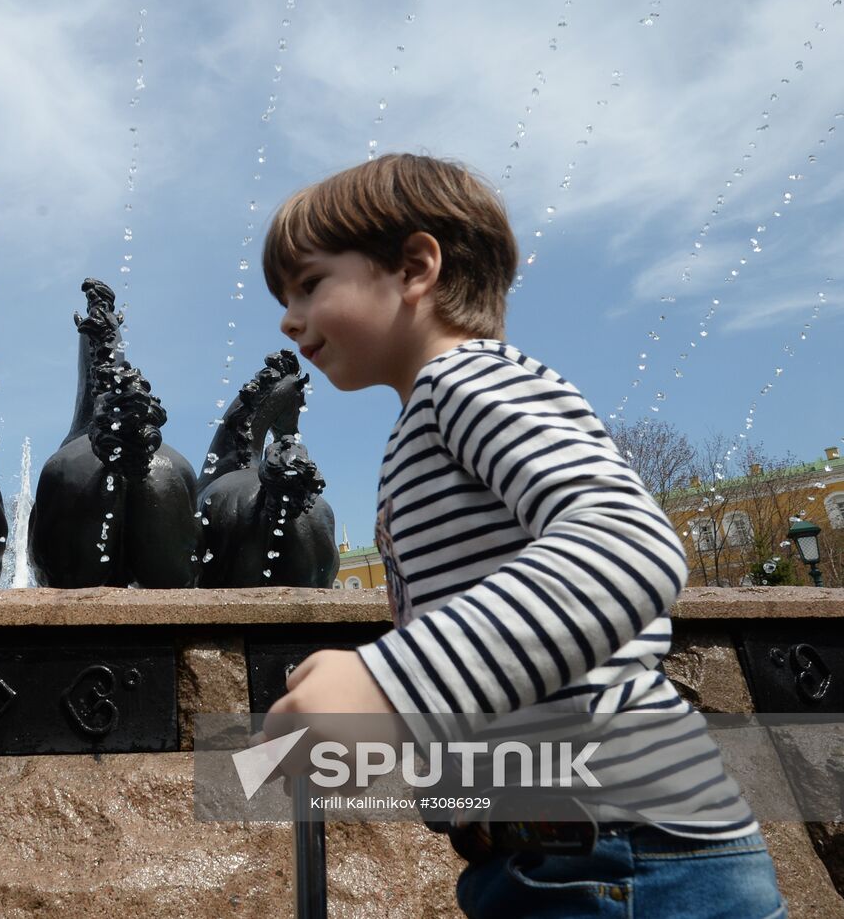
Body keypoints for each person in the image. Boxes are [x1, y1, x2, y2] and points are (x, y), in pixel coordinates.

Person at [257, 154, 786, 918]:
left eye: (309, 284)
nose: (288, 317)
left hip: (625, 855)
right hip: (571, 853)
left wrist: (390, 683)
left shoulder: (465, 381)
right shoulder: (429, 417)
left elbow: (627, 542)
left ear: (414, 267)